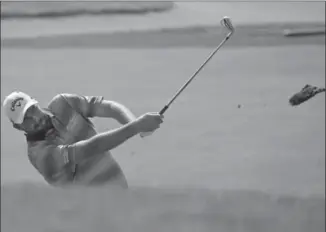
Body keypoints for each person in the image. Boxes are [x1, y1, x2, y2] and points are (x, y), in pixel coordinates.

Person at [3, 91, 163, 188]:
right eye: (26, 119)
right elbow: (90, 148)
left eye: (33, 109)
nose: (35, 118)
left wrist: (133, 122)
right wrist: (135, 127)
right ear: (18, 127)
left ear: (35, 102)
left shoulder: (63, 104)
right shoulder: (39, 155)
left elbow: (108, 107)